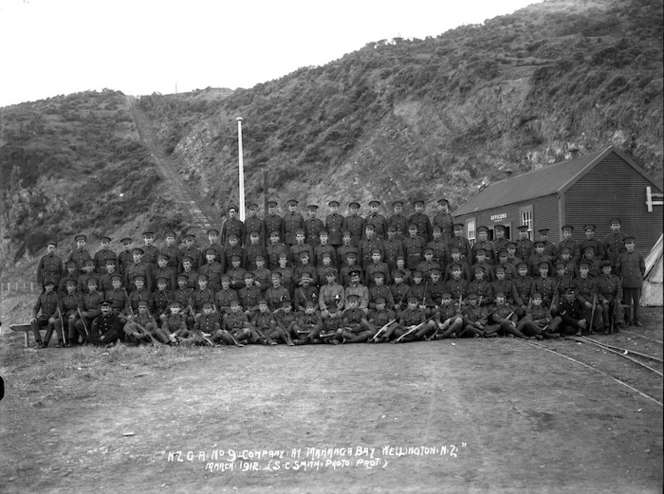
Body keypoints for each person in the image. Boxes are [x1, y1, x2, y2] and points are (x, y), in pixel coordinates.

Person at [615, 236, 646, 327]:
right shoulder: (621, 256)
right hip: (626, 282)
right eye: (627, 244)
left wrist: (639, 276)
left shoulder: (639, 255)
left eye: (631, 243)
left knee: (636, 302)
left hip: (637, 282)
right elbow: (617, 268)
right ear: (625, 245)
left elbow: (642, 268)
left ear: (634, 244)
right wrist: (622, 277)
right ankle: (628, 319)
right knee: (627, 302)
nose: (629, 246)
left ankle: (636, 319)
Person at [30, 278, 61, 348]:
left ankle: (45, 342)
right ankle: (38, 341)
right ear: (45, 287)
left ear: (53, 286)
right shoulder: (41, 296)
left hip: (52, 317)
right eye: (47, 286)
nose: (48, 287)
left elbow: (59, 308)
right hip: (43, 317)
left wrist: (54, 317)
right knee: (33, 322)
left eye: (50, 285)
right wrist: (34, 316)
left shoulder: (57, 296)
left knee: (51, 323)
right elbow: (36, 307)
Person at [596, 261, 624, 333]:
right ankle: (607, 326)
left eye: (608, 268)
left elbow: (619, 290)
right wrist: (602, 299)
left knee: (618, 306)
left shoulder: (615, 278)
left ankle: (617, 325)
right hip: (604, 298)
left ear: (611, 269)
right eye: (605, 268)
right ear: (602, 270)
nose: (607, 270)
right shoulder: (598, 280)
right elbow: (596, 292)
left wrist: (618, 299)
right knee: (605, 307)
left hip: (613, 298)